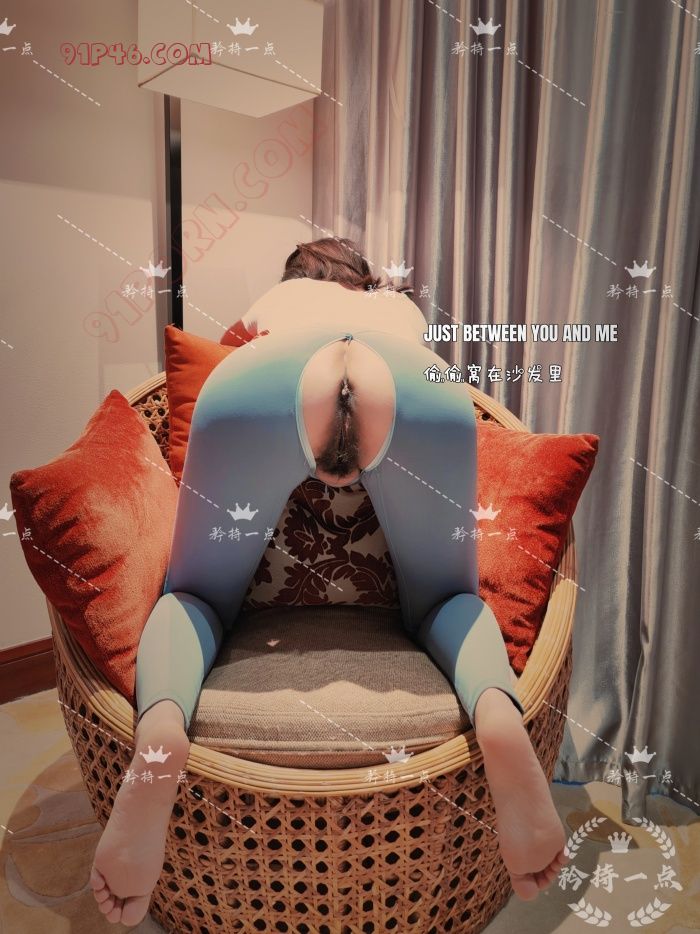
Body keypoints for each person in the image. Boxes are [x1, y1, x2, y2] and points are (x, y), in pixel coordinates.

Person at [89, 239, 568, 926]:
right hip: (414, 381)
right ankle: (497, 717)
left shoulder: (276, 304)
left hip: (269, 376)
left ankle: (162, 732)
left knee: (194, 596)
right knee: (448, 598)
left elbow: (221, 360)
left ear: (297, 277)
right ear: (360, 279)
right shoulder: (397, 310)